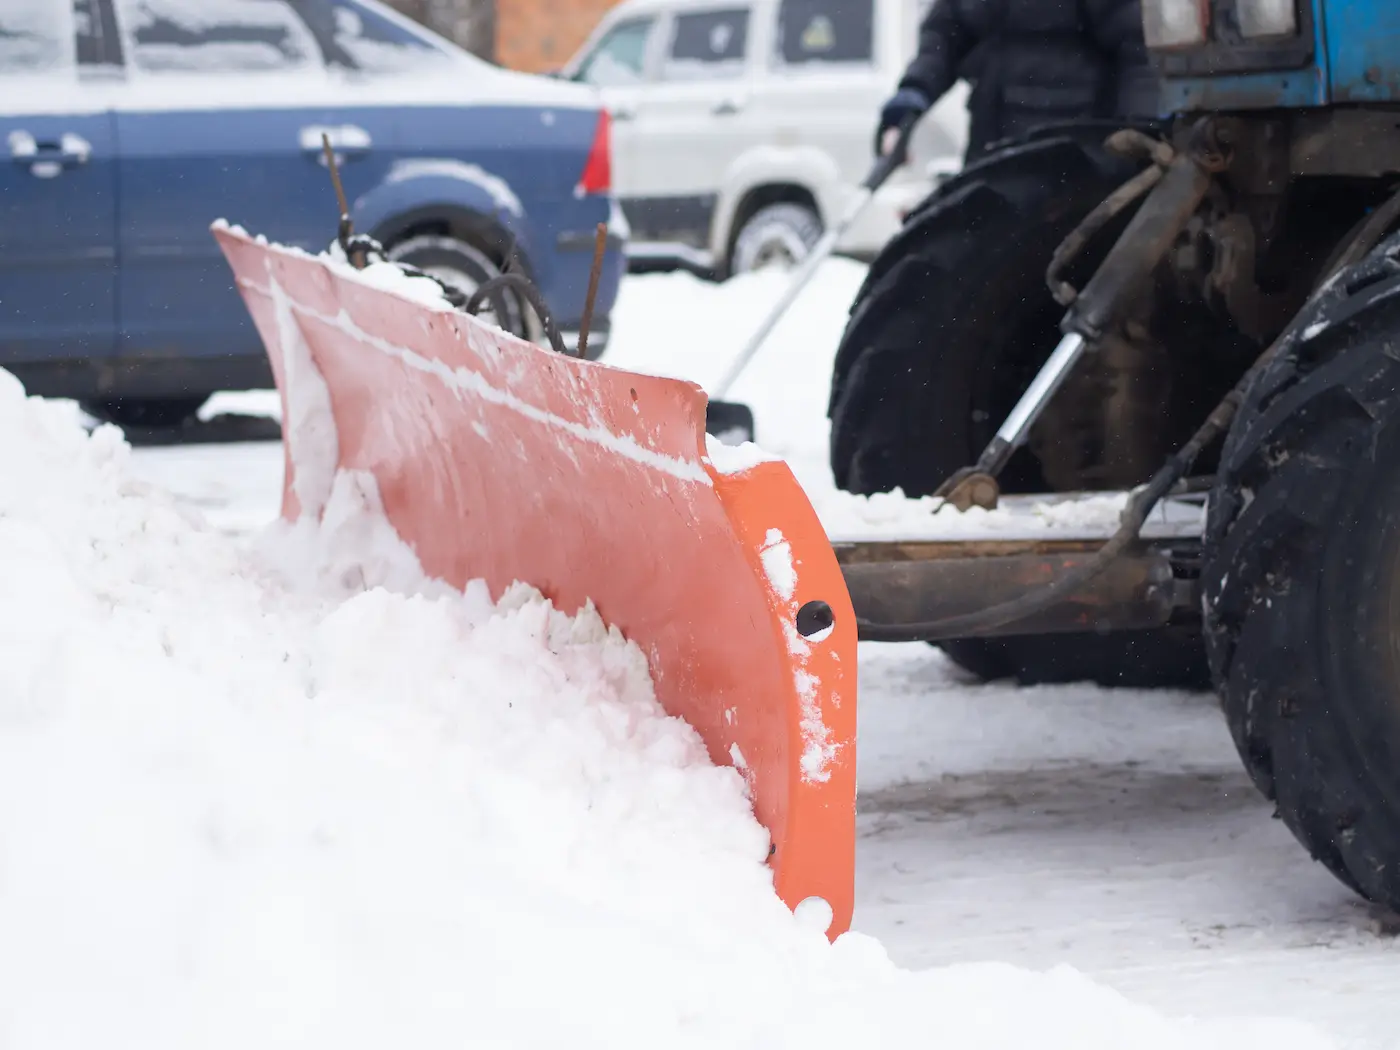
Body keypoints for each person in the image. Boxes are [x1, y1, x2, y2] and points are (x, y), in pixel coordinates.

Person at [875, 0, 1161, 162]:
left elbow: (1137, 48)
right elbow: (944, 38)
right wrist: (912, 97)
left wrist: (1139, 133)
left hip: (1076, 158)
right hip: (990, 154)